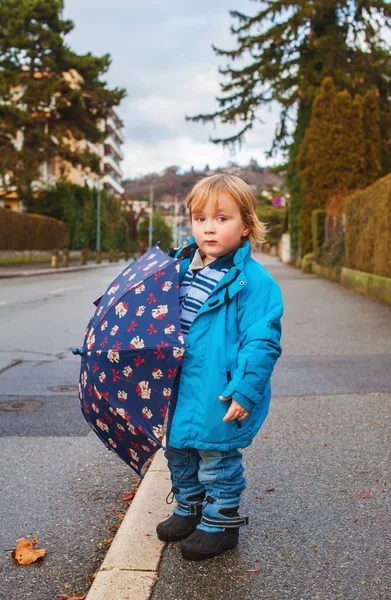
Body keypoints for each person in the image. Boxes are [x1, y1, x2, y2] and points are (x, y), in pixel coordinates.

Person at [156, 174, 283, 561]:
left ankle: (221, 521)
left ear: (245, 225)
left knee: (216, 456)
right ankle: (189, 506)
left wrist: (245, 389)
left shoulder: (253, 282)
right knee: (178, 450)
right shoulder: (178, 270)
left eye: (222, 218)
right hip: (180, 384)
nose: (209, 227)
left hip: (219, 386)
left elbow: (261, 341)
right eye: (200, 218)